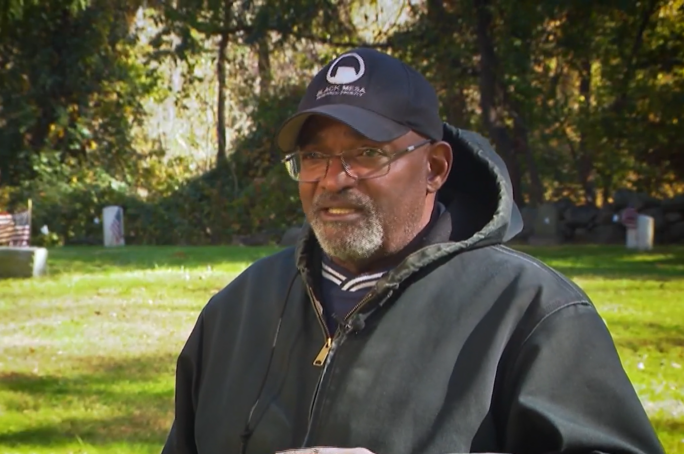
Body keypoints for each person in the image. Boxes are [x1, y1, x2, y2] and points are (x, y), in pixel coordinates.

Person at [161, 48, 664, 454]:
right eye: (314, 156)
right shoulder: (238, 309)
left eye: (367, 153)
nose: (334, 179)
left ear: (435, 168)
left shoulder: (531, 312)